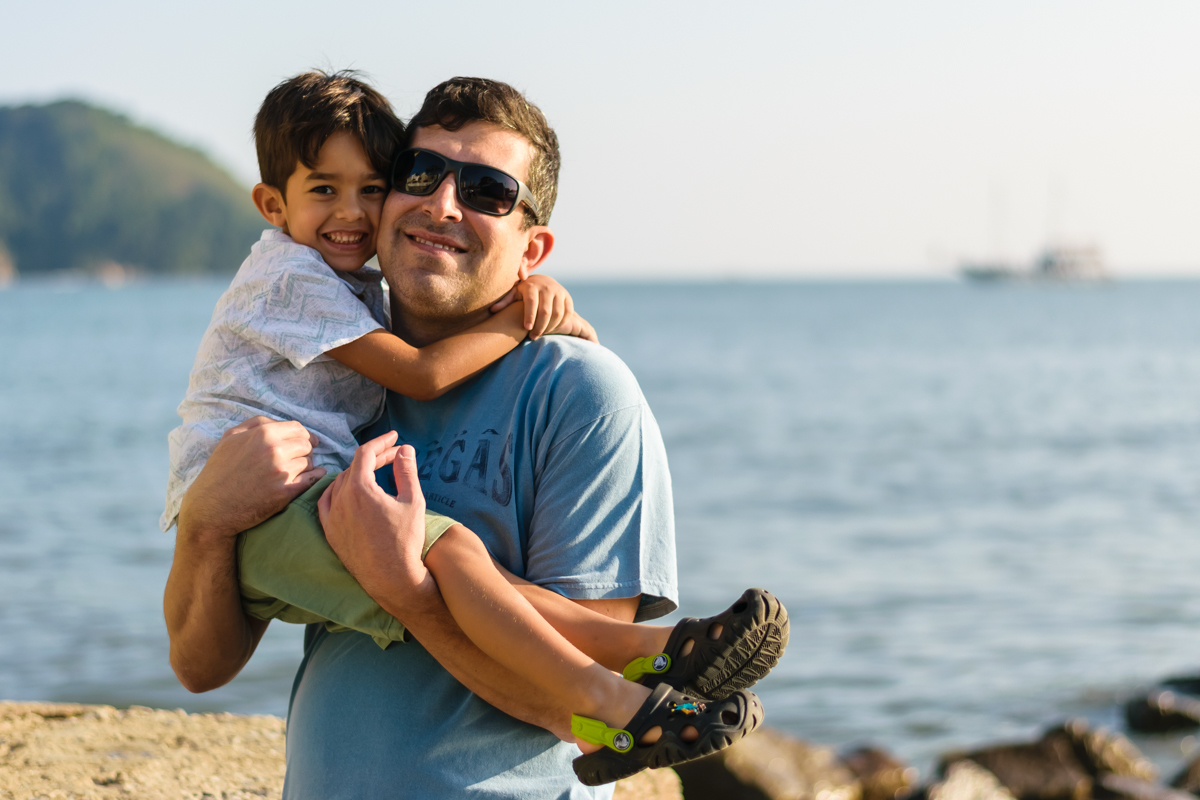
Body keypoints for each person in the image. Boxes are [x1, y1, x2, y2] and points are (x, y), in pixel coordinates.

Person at [163, 76, 784, 798]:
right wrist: (206, 521)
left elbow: (570, 702)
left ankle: (657, 653)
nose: (441, 203)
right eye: (420, 175)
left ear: (533, 249)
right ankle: (662, 652)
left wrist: (403, 588)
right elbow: (200, 667)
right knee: (456, 552)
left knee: (453, 556)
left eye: (488, 191)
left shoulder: (579, 392)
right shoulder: (341, 387)